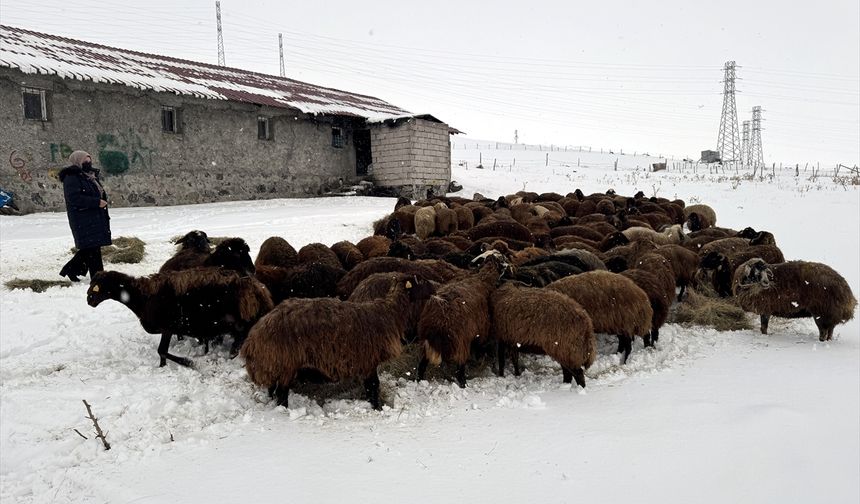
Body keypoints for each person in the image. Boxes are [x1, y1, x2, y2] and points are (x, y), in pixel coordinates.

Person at [58, 150, 111, 282]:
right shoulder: (72, 177)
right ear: (77, 161)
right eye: (85, 160)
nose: (89, 162)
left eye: (89, 159)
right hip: (82, 218)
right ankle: (98, 279)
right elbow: (74, 198)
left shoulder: (89, 176)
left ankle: (71, 269)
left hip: (94, 217)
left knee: (91, 247)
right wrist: (96, 202)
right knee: (92, 249)